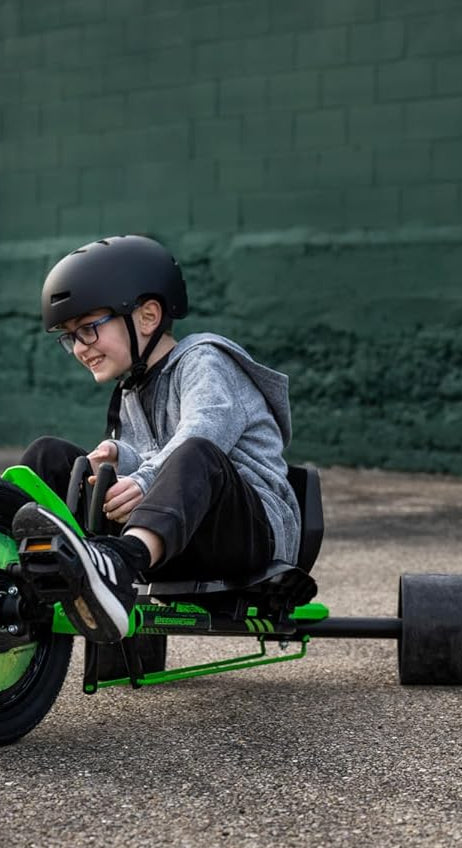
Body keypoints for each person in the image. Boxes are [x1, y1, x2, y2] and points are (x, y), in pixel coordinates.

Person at [10, 234, 301, 644]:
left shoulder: (205, 361)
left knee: (196, 450)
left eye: (89, 329)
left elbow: (203, 436)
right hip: (174, 541)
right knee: (49, 456)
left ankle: (117, 566)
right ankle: (15, 568)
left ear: (147, 316)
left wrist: (144, 479)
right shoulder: (133, 389)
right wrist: (120, 460)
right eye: (70, 336)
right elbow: (153, 456)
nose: (79, 348)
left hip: (247, 537)